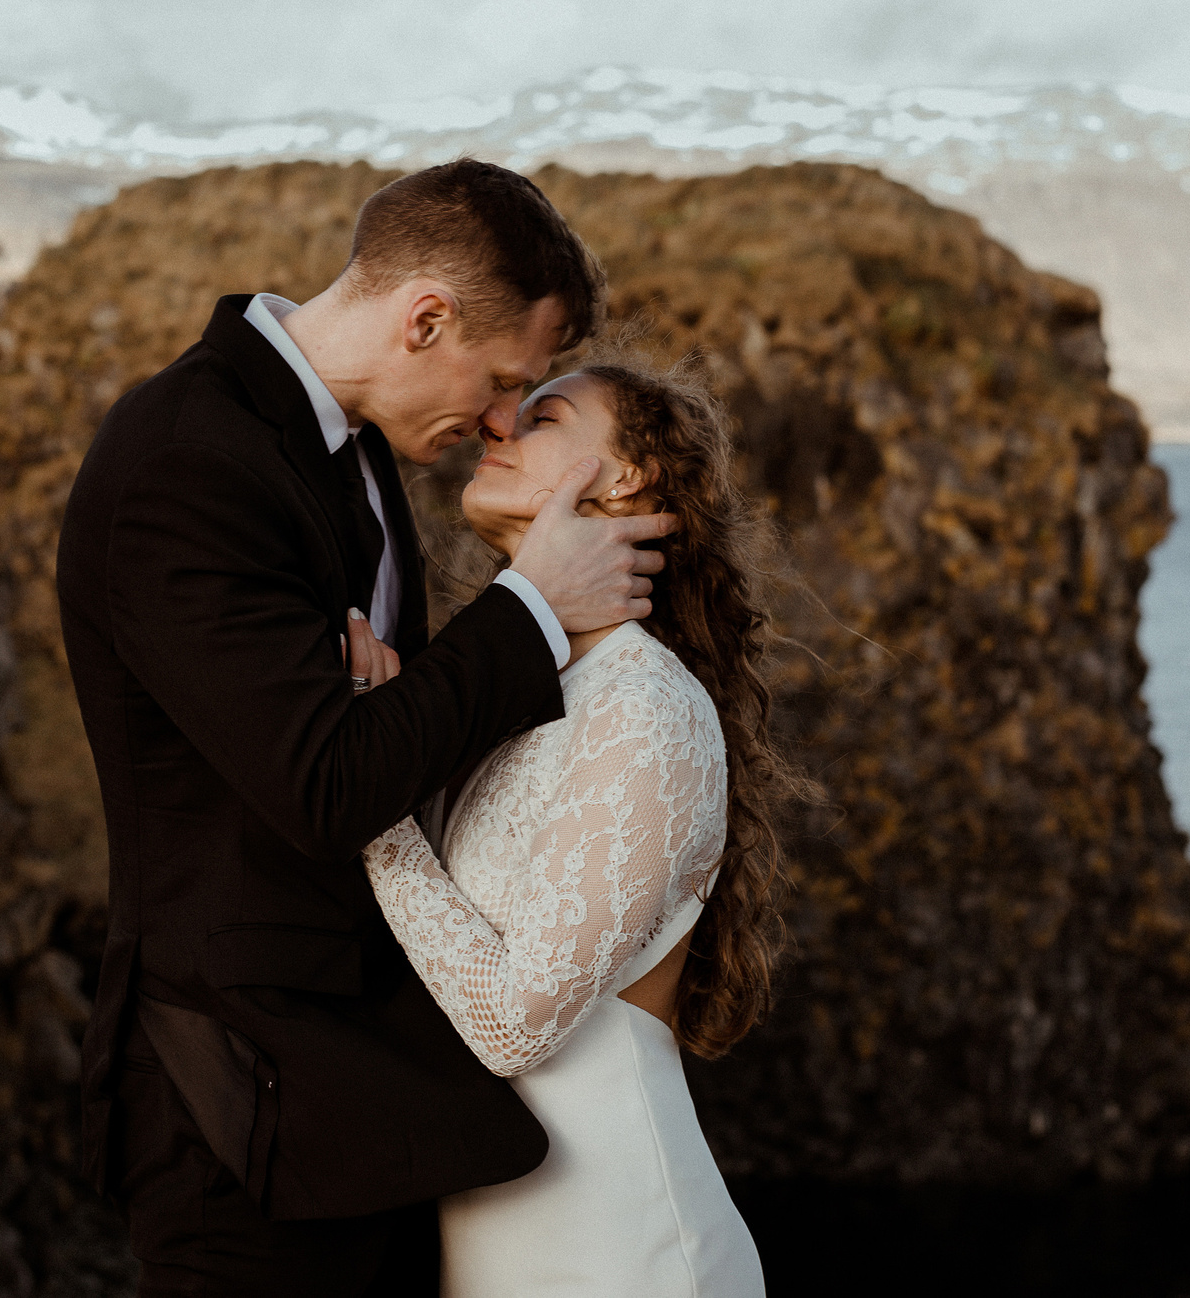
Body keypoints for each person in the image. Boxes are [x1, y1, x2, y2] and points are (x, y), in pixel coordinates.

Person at [56, 160, 680, 1296]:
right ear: (424, 315)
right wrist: (535, 605)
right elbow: (326, 787)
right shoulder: (187, 462)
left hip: (368, 1097)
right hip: (237, 1108)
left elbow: (382, 740)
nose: (500, 418)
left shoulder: (362, 455)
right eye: (501, 379)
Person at [354, 356, 813, 1297]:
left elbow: (514, 1022)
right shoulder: (513, 692)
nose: (497, 427)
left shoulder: (646, 702)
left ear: (626, 476)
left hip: (619, 1247)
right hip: (492, 1236)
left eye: (544, 416)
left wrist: (370, 803)